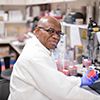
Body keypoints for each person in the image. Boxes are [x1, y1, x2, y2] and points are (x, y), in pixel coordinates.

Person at [8, 16, 100, 100]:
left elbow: (56, 80)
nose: (56, 37)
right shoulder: (34, 56)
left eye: (59, 33)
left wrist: (79, 81)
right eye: (50, 31)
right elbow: (63, 92)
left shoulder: (40, 48)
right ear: (36, 31)